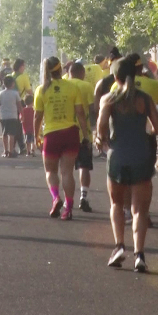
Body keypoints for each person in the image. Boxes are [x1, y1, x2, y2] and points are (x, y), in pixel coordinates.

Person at [96, 55, 158, 272]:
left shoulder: (108, 99)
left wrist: (102, 140)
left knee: (116, 204)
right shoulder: (145, 98)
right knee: (139, 211)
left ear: (115, 76)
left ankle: (118, 247)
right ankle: (139, 255)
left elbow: (101, 130)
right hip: (141, 155)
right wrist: (146, 134)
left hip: (117, 157)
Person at [33, 56, 88, 220]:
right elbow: (80, 113)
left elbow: (37, 116)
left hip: (51, 134)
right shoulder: (72, 88)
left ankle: (56, 198)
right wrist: (85, 135)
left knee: (50, 171)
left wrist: (35, 135)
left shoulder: (41, 90)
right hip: (70, 133)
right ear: (60, 69)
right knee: (67, 173)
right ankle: (68, 208)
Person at [69, 63, 96, 212]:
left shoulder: (64, 84)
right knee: (84, 166)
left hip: (67, 132)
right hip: (83, 133)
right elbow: (92, 109)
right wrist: (94, 128)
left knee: (67, 169)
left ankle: (68, 199)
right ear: (81, 72)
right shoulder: (87, 86)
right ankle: (83, 197)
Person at [0, 76, 22, 158]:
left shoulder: (1, 93)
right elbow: (19, 106)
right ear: (13, 84)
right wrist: (22, 115)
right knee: (11, 134)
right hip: (13, 116)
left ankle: (5, 150)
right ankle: (11, 151)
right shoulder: (15, 93)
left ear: (4, 84)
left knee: (4, 134)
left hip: (4, 117)